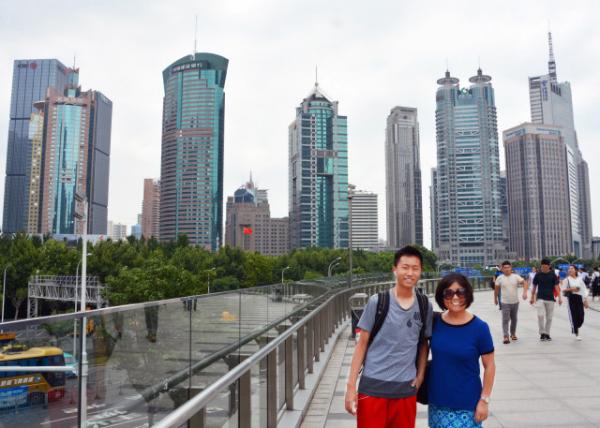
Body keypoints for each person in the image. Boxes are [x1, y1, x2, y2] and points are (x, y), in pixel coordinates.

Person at [345, 245, 433, 428]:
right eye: (405, 267)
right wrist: (351, 386)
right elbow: (361, 345)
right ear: (395, 269)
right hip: (373, 388)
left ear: (420, 271)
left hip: (405, 389)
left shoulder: (424, 305)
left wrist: (421, 375)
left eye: (415, 268)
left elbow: (424, 343)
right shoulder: (377, 302)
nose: (410, 273)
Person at [428, 273, 496, 428]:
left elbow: (490, 366)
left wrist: (484, 400)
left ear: (468, 294)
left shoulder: (479, 328)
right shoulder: (435, 322)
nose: (455, 297)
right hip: (437, 403)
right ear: (441, 296)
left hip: (467, 405)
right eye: (448, 293)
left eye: (461, 292)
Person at [494, 261, 528, 344]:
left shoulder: (516, 277)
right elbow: (496, 289)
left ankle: (513, 334)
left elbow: (525, 283)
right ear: (502, 269)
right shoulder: (499, 278)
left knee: (514, 319)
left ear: (511, 268)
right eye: (505, 268)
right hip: (504, 302)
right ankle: (506, 336)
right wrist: (495, 298)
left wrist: (525, 292)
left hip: (515, 302)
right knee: (505, 319)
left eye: (508, 267)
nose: (507, 269)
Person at [530, 258, 562, 341]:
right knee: (540, 315)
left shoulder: (553, 275)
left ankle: (547, 333)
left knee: (549, 317)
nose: (543, 268)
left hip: (550, 298)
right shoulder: (538, 275)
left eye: (545, 267)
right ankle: (542, 333)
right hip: (540, 298)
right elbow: (534, 286)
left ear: (549, 266)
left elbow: (556, 287)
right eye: (542, 267)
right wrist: (532, 297)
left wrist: (560, 297)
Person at [562, 265, 587, 340]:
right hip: (571, 298)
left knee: (581, 316)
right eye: (569, 269)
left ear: (575, 270)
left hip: (579, 298)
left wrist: (585, 300)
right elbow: (563, 290)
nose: (570, 270)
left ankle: (577, 326)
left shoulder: (580, 279)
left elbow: (584, 290)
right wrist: (571, 289)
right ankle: (576, 332)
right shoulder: (566, 280)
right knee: (574, 316)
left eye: (572, 268)